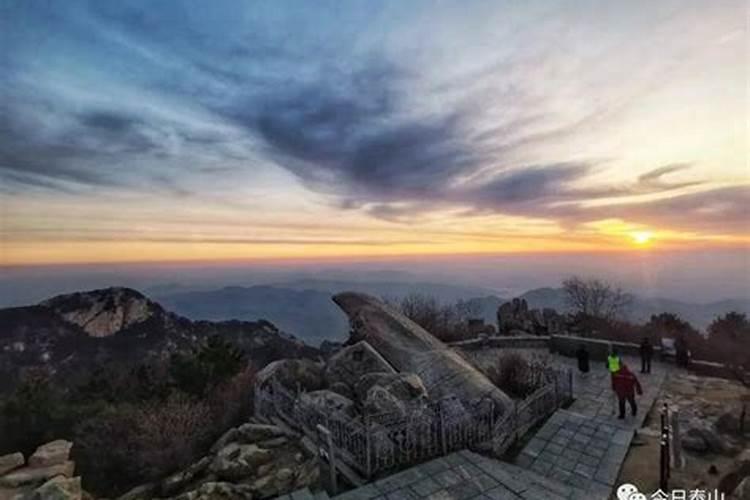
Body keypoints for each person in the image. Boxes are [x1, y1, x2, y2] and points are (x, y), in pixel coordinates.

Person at [607, 346, 622, 414]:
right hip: (617, 372)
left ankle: (614, 389)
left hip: (612, 372)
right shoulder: (618, 358)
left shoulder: (609, 357)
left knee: (613, 383)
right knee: (617, 382)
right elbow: (621, 365)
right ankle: (616, 389)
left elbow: (606, 365)